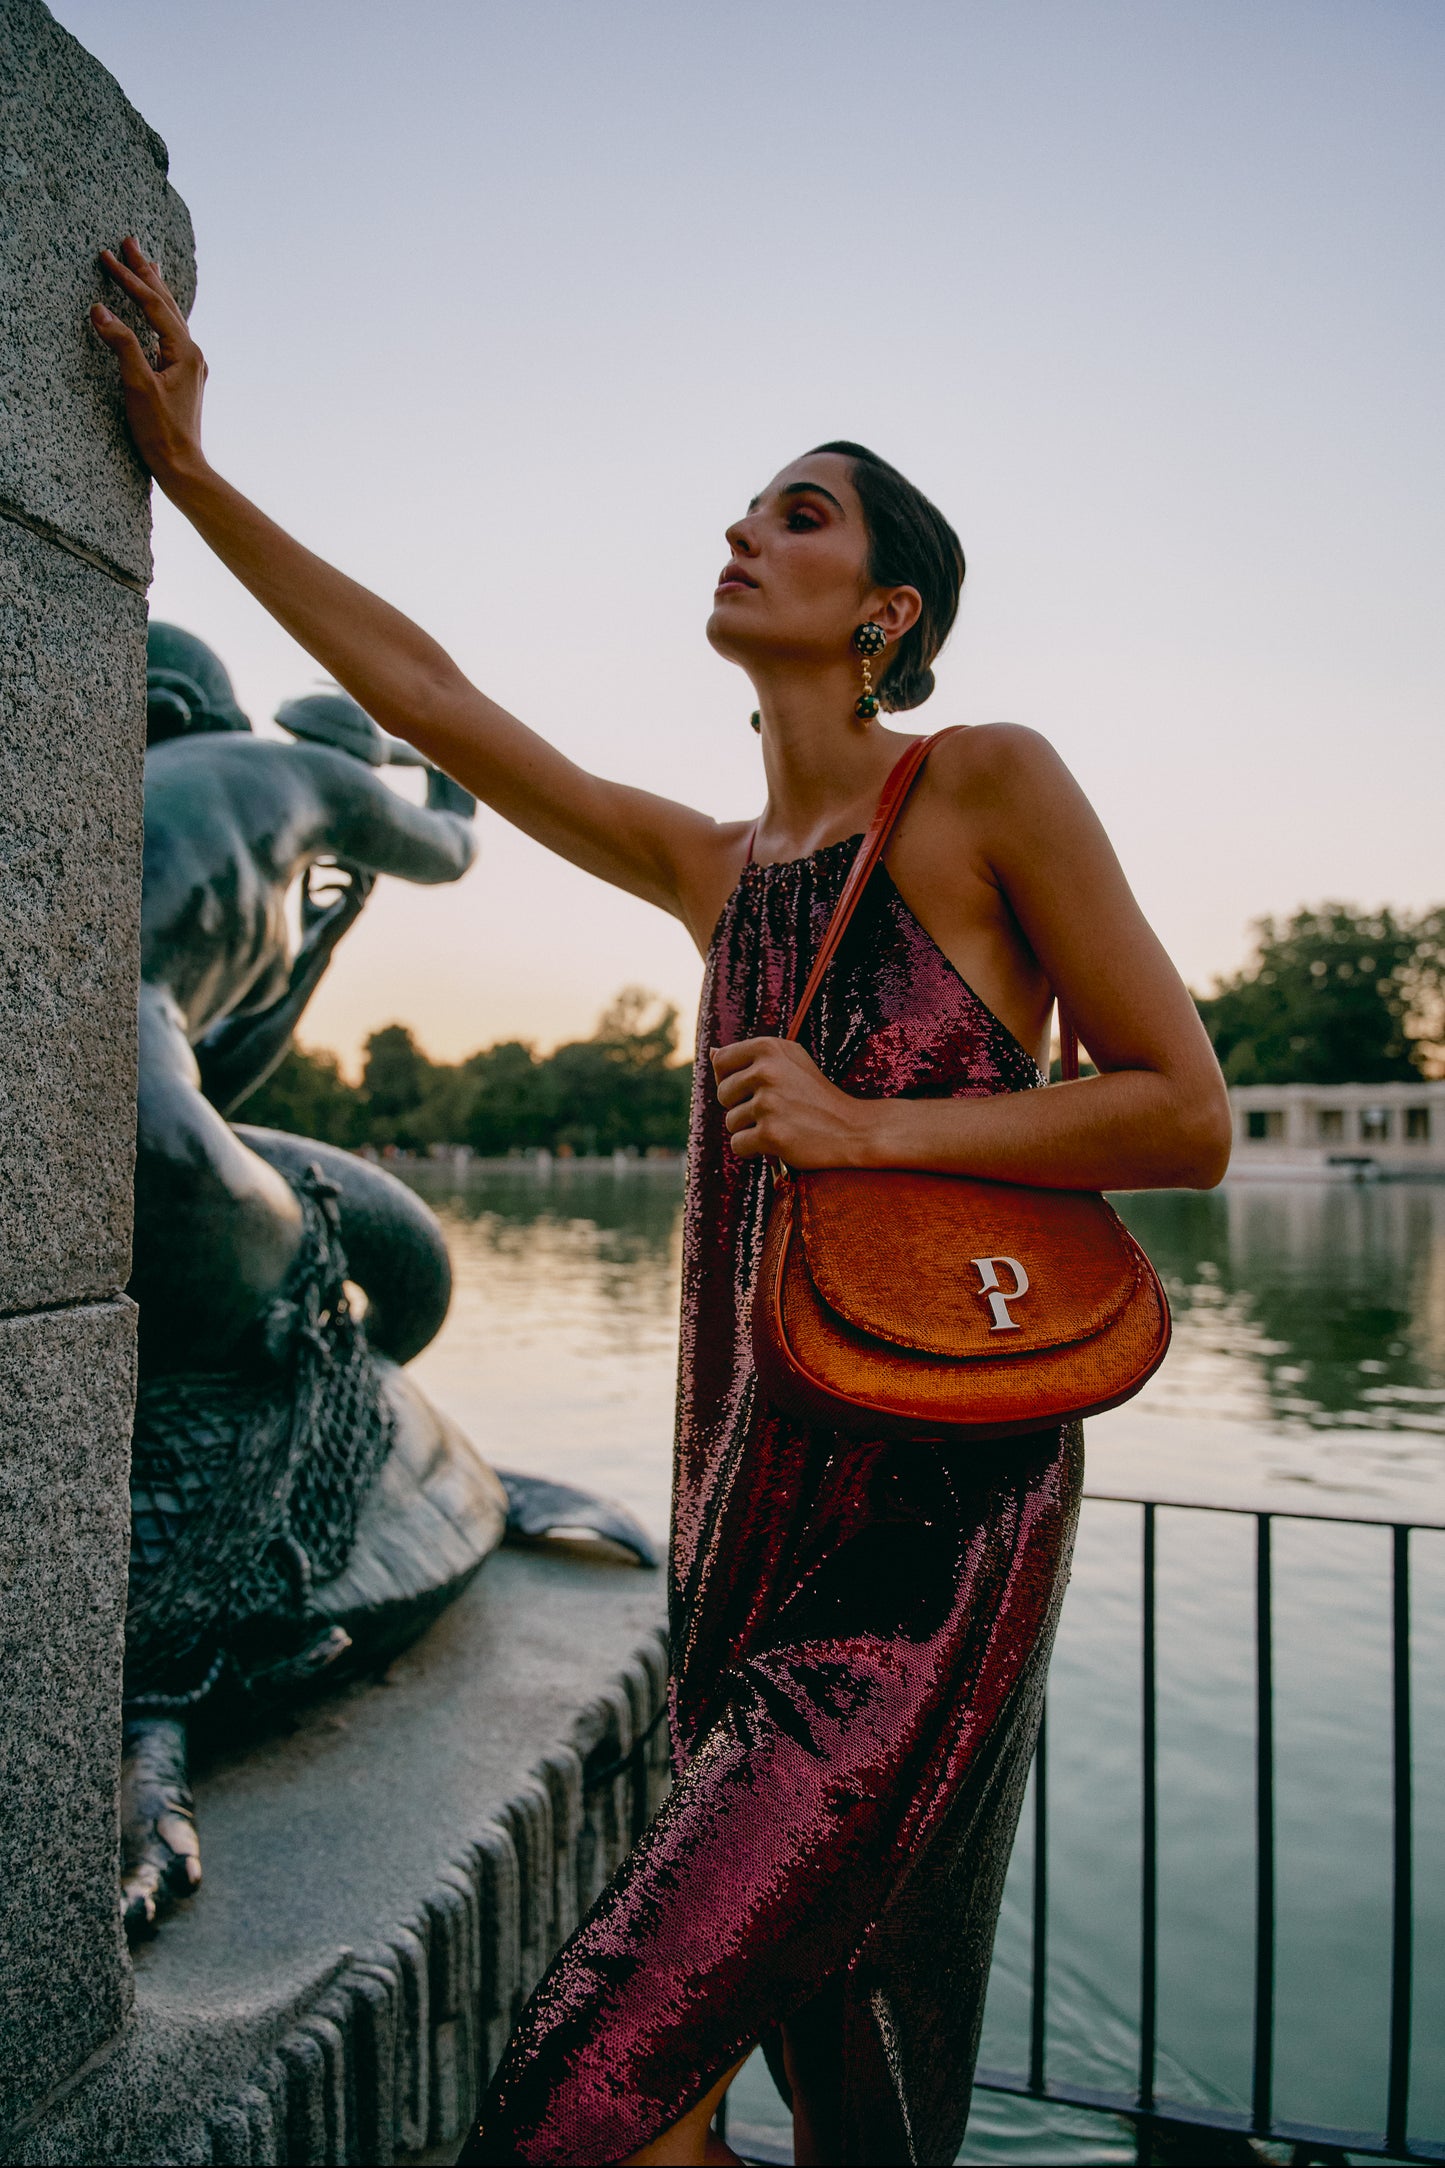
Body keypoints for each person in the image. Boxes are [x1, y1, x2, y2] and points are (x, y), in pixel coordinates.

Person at [92, 237, 1230, 2167]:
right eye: (744, 504)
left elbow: (1181, 1114)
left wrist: (866, 1132)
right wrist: (192, 478)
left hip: (930, 1527)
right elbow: (434, 700)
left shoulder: (979, 787)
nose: (740, 528)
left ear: (886, 610)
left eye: (796, 514)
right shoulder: (712, 866)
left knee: (576, 2095)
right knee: (819, 2070)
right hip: (747, 1490)